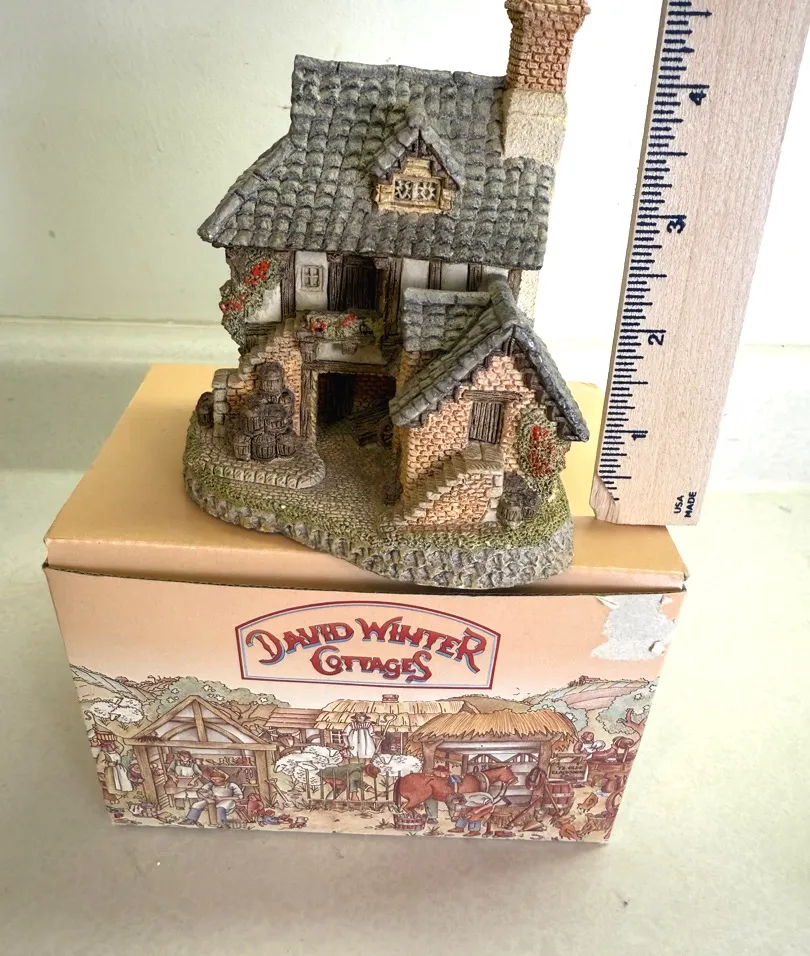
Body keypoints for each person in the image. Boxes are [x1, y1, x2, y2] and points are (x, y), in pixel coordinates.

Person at [178, 770, 244, 828]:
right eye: (213, 779)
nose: (214, 781)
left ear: (223, 779)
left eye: (216, 779)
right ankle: (191, 820)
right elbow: (202, 790)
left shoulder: (231, 785)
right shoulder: (211, 784)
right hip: (213, 800)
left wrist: (222, 798)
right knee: (197, 805)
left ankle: (222, 822)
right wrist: (206, 793)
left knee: (221, 806)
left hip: (228, 801)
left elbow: (239, 796)